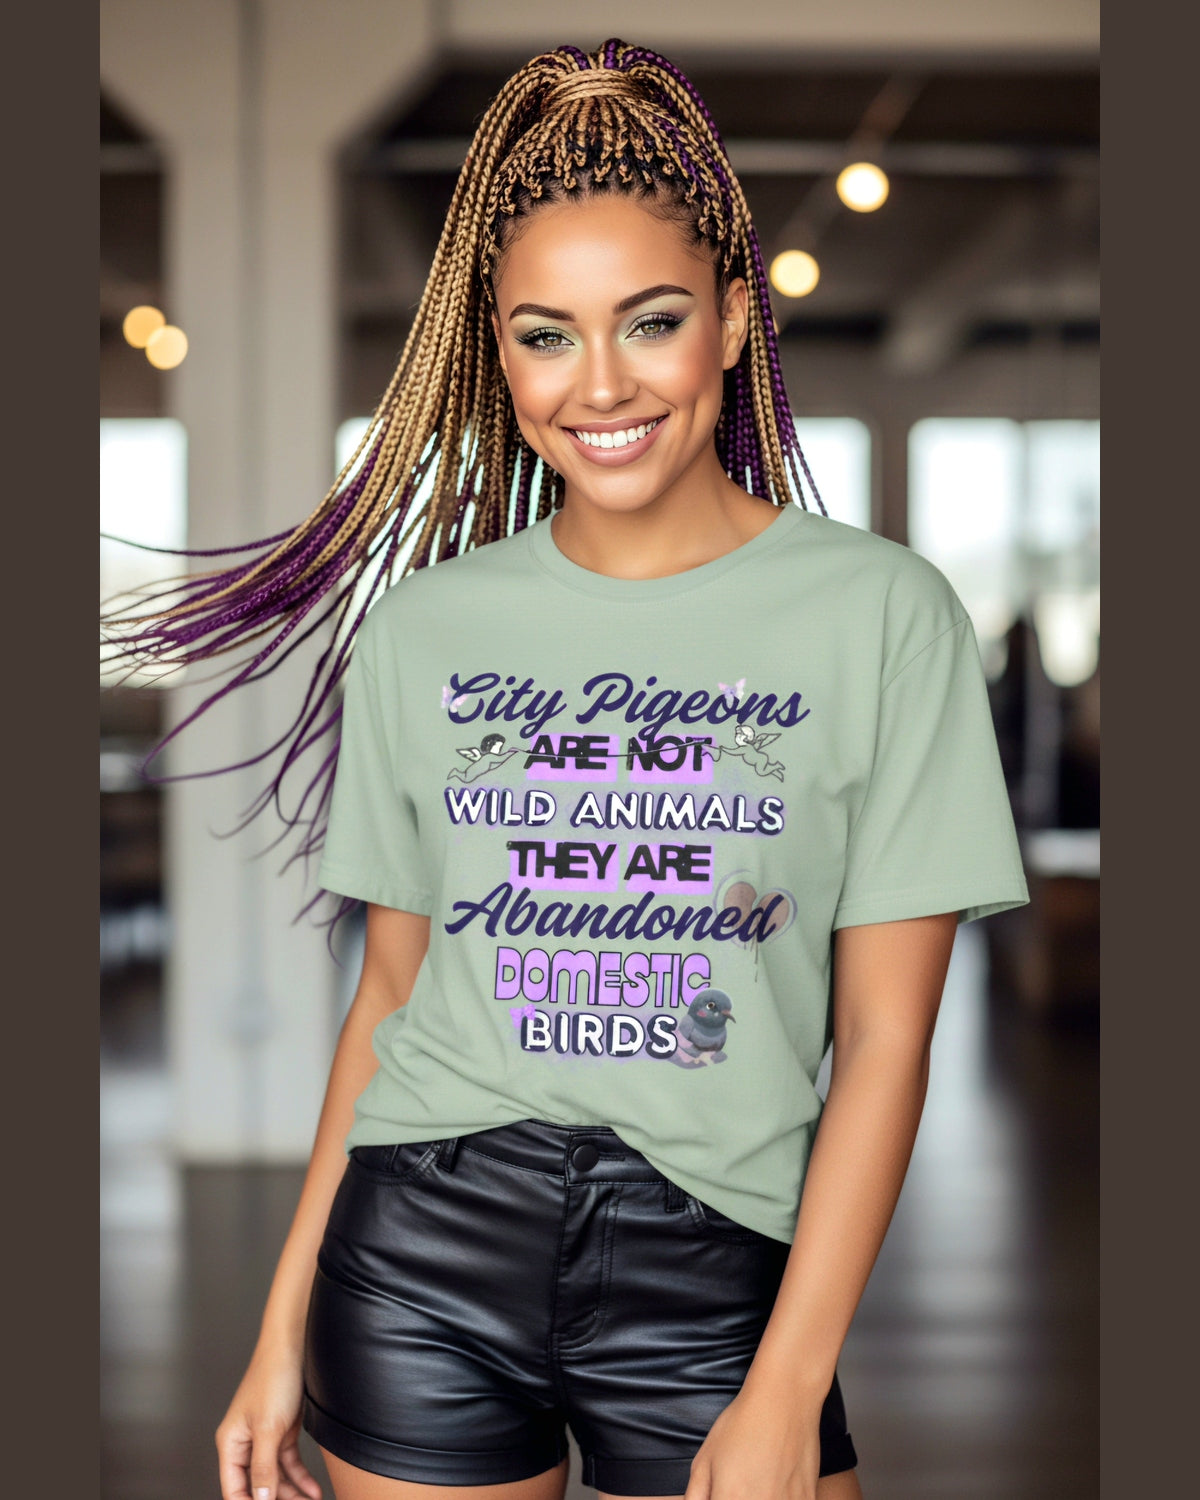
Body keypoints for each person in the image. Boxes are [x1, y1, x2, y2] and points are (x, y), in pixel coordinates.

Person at [104, 39, 1029, 1500]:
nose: (598, 383)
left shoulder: (883, 617)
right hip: (419, 1262)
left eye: (647, 322)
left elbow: (890, 1043)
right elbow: (395, 1002)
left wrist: (788, 1385)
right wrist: (283, 1326)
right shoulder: (427, 631)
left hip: (718, 1270)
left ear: (732, 318)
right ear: (501, 350)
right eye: (545, 335)